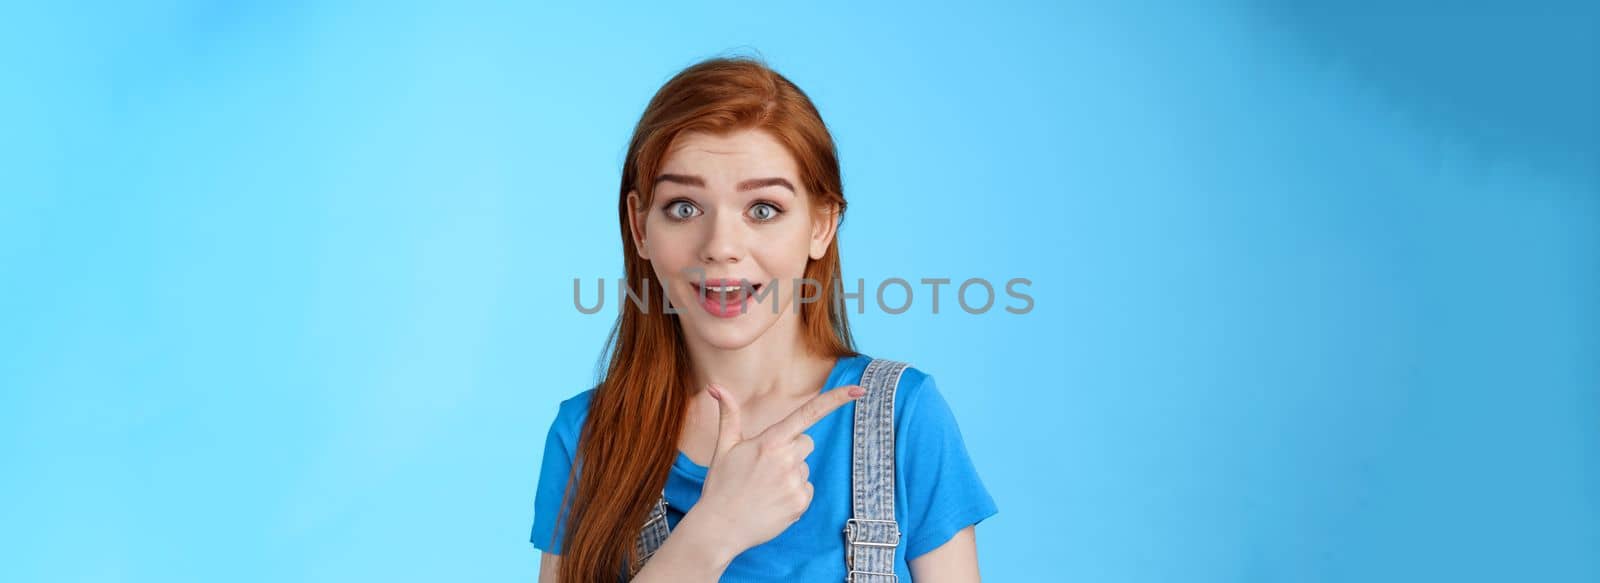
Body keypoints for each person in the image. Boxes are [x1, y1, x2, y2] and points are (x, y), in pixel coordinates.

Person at [530, 56, 997, 582]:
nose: (721, 247)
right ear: (640, 228)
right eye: (684, 207)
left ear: (822, 226)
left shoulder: (904, 417)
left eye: (763, 210)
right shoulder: (589, 437)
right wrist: (714, 531)